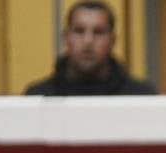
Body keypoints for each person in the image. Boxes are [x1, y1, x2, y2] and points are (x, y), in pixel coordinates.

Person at [25, 1, 157, 96]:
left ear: (112, 40)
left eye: (99, 32)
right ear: (66, 38)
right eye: (79, 31)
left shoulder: (140, 97)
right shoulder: (39, 98)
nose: (88, 41)